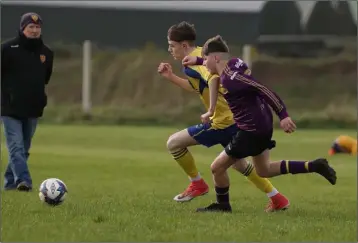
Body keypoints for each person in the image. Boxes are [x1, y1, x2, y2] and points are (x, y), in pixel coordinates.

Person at [181, 35, 337, 213]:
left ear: (215, 58)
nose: (204, 64)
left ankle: (222, 205)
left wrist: (283, 115)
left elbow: (263, 89)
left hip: (250, 131)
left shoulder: (232, 79)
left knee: (216, 168)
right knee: (264, 170)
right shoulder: (233, 63)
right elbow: (221, 67)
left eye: (206, 59)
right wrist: (198, 59)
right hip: (262, 125)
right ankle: (315, 165)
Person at [158, 21, 289, 212]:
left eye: (172, 46)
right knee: (239, 164)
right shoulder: (200, 55)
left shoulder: (194, 61)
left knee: (174, 143)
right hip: (234, 119)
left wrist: (211, 109)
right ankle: (277, 198)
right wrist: (171, 77)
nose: (170, 50)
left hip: (223, 122)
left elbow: (213, 78)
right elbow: (197, 87)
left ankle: (197, 184)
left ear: (184, 45)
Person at [1, 12, 54, 191]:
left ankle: (9, 184)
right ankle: (25, 181)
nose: (34, 30)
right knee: (15, 146)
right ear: (23, 28)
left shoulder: (46, 53)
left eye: (37, 27)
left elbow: (45, 78)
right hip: (10, 108)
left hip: (32, 108)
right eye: (31, 27)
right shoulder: (7, 49)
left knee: (23, 149)